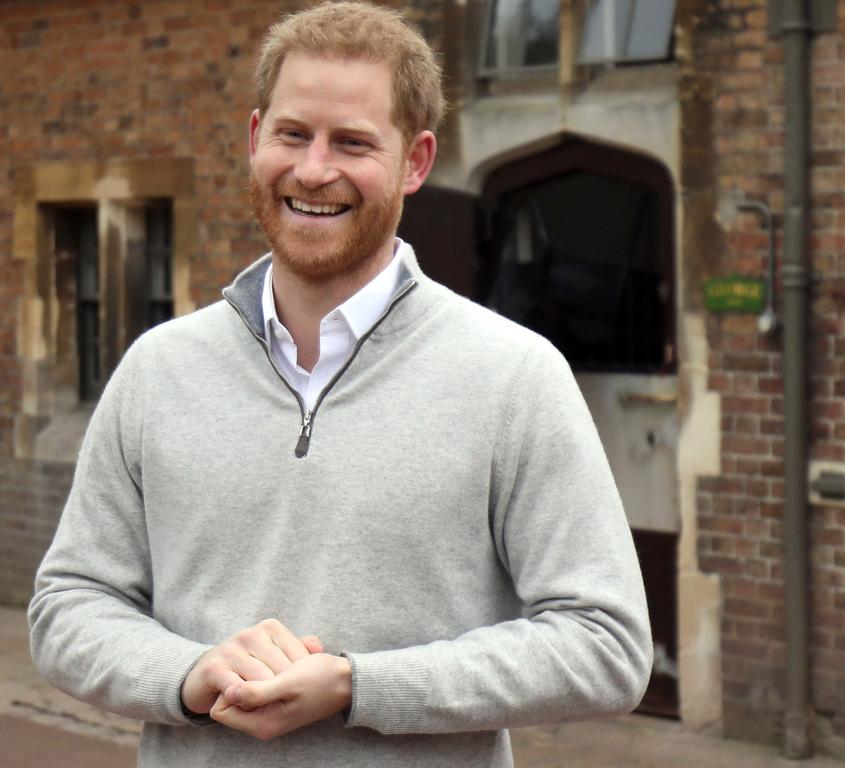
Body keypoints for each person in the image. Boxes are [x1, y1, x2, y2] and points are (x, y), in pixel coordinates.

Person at [28, 2, 652, 766]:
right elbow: (67, 609)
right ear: (256, 138)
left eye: (352, 143)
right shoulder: (160, 369)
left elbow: (607, 645)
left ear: (415, 162)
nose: (314, 170)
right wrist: (188, 673)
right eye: (293, 134)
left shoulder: (513, 376)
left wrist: (362, 686)